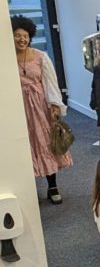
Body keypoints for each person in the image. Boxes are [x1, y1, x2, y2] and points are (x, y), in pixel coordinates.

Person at [12, 15, 72, 204]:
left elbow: (50, 83)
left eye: (25, 36)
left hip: (39, 107)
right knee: (23, 146)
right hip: (17, 107)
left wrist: (54, 106)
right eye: (17, 35)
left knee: (46, 143)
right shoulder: (5, 58)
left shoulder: (41, 57)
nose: (22, 39)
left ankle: (52, 186)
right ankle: (26, 189)